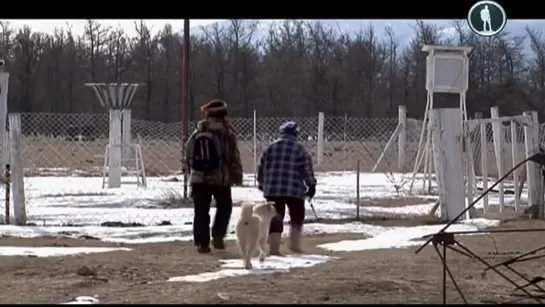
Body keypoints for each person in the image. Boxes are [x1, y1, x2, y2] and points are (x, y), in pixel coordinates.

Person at [185, 99, 243, 254]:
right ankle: (218, 235)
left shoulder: (198, 130)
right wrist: (237, 175)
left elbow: (189, 151)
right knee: (225, 207)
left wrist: (191, 168)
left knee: (201, 210)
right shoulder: (227, 132)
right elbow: (233, 156)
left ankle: (202, 243)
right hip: (220, 178)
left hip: (198, 178)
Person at [257, 121, 317, 255]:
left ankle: (274, 248)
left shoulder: (270, 147)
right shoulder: (300, 149)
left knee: (275, 217)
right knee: (297, 216)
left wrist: (262, 184)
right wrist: (311, 185)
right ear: (296, 134)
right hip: (294, 189)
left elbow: (261, 167)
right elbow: (306, 170)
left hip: (272, 189)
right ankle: (294, 245)